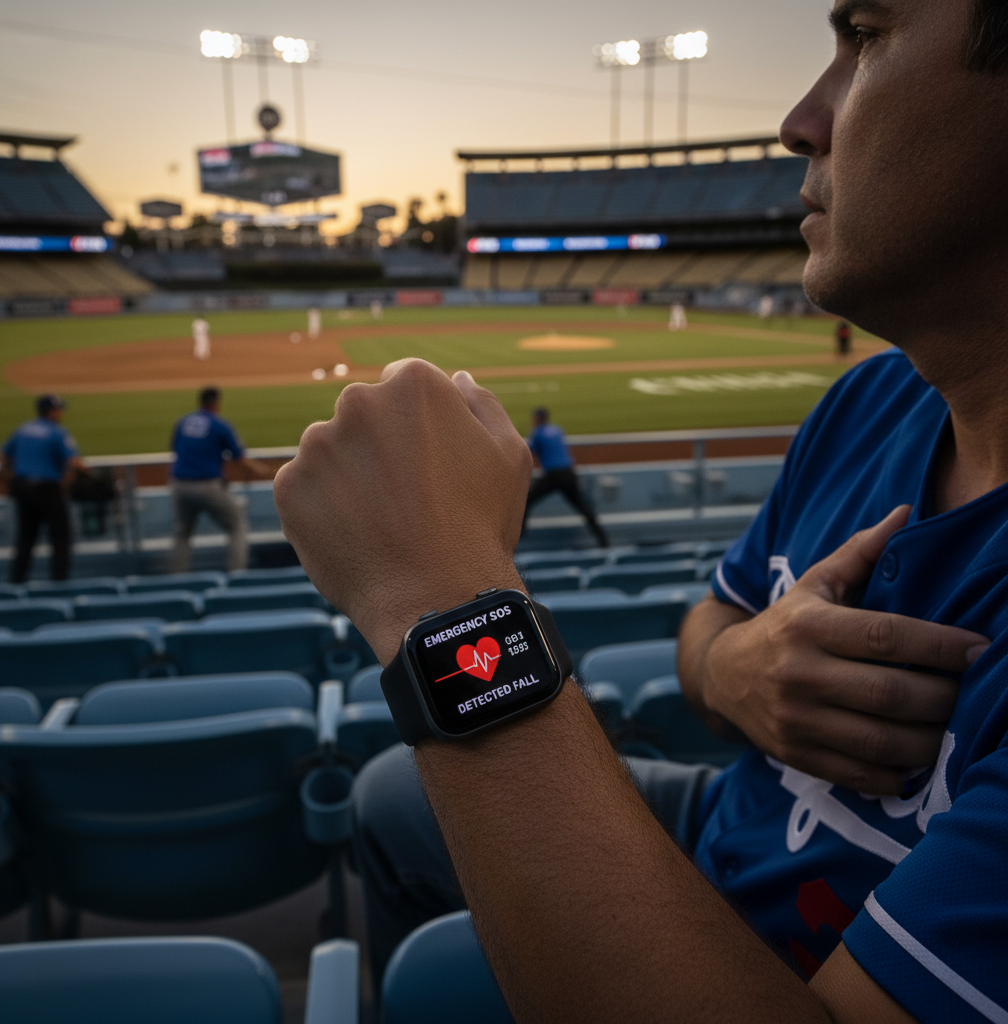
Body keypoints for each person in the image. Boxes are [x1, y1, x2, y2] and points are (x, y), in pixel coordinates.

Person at [274, 2, 1008, 1020]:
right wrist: (730, 668)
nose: (799, 117)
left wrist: (440, 597)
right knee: (393, 793)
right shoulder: (866, 401)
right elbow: (709, 625)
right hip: (733, 818)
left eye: (867, 36)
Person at [169, 387, 271, 573]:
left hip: (179, 485)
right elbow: (240, 459)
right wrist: (264, 471)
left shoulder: (183, 422)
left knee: (182, 533)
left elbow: (176, 449)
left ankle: (177, 578)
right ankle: (236, 576)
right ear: (216, 403)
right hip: (207, 486)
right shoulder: (219, 425)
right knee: (237, 527)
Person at [0, 395, 84, 583]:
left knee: (26, 539)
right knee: (60, 538)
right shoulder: (57, 432)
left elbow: (3, 456)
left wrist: (10, 481)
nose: (61, 413)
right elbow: (73, 462)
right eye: (58, 409)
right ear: (51, 411)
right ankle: (59, 583)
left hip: (22, 489)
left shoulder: (23, 429)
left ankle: (17, 583)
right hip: (48, 490)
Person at [523, 407, 609, 548]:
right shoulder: (557, 430)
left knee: (526, 501)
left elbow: (527, 451)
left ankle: (519, 538)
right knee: (583, 507)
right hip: (569, 474)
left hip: (553, 475)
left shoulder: (537, 433)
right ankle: (603, 540)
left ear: (537, 419)